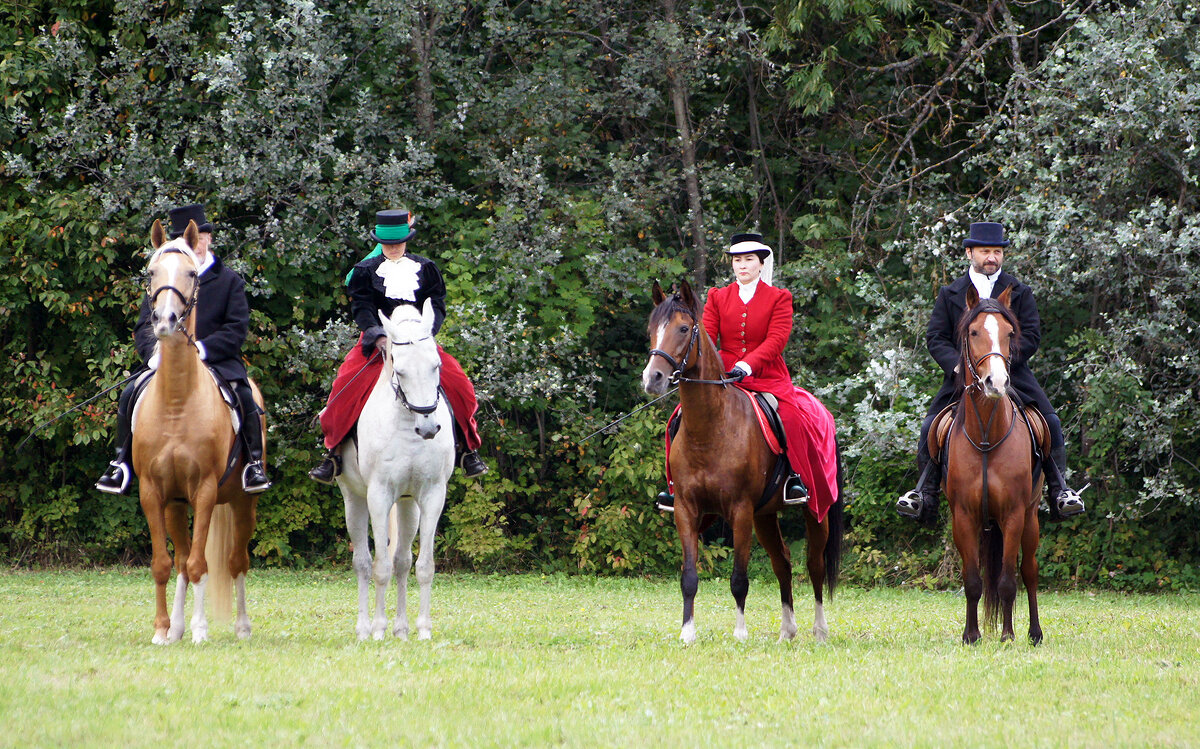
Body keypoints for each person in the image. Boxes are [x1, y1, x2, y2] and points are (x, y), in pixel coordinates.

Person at [896, 221, 1085, 523]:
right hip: (964, 376)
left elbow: (1032, 335)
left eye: (997, 251)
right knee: (930, 425)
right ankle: (924, 494)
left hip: (1011, 373)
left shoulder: (1019, 291)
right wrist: (957, 365)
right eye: (985, 251)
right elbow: (936, 337)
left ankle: (1059, 491)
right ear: (970, 252)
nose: (992, 257)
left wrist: (1004, 362)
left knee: (1050, 421)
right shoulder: (950, 293)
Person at [95, 203, 271, 495]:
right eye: (190, 239)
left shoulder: (230, 281)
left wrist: (201, 349)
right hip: (166, 363)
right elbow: (144, 326)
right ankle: (120, 464)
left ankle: (253, 464)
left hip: (217, 361)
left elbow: (236, 328)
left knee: (244, 395)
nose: (197, 244)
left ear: (208, 238)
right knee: (129, 394)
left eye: (200, 237)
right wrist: (154, 353)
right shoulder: (165, 280)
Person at [658, 232, 837, 508]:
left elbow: (777, 339)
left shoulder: (779, 297)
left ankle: (795, 479)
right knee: (678, 418)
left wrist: (748, 364)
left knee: (792, 418)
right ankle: (674, 488)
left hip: (767, 375)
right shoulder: (718, 296)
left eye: (748, 260)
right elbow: (707, 336)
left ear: (761, 263)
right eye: (737, 260)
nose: (742, 265)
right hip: (725, 374)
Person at [308, 209, 487, 483]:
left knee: (461, 386)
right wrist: (378, 336)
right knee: (342, 387)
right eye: (388, 244)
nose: (393, 248)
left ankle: (467, 450)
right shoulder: (364, 271)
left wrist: (425, 333)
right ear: (380, 242)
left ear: (407, 240)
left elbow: (437, 304)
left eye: (398, 243)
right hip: (377, 342)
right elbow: (362, 306)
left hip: (417, 341)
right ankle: (333, 454)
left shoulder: (426, 268)